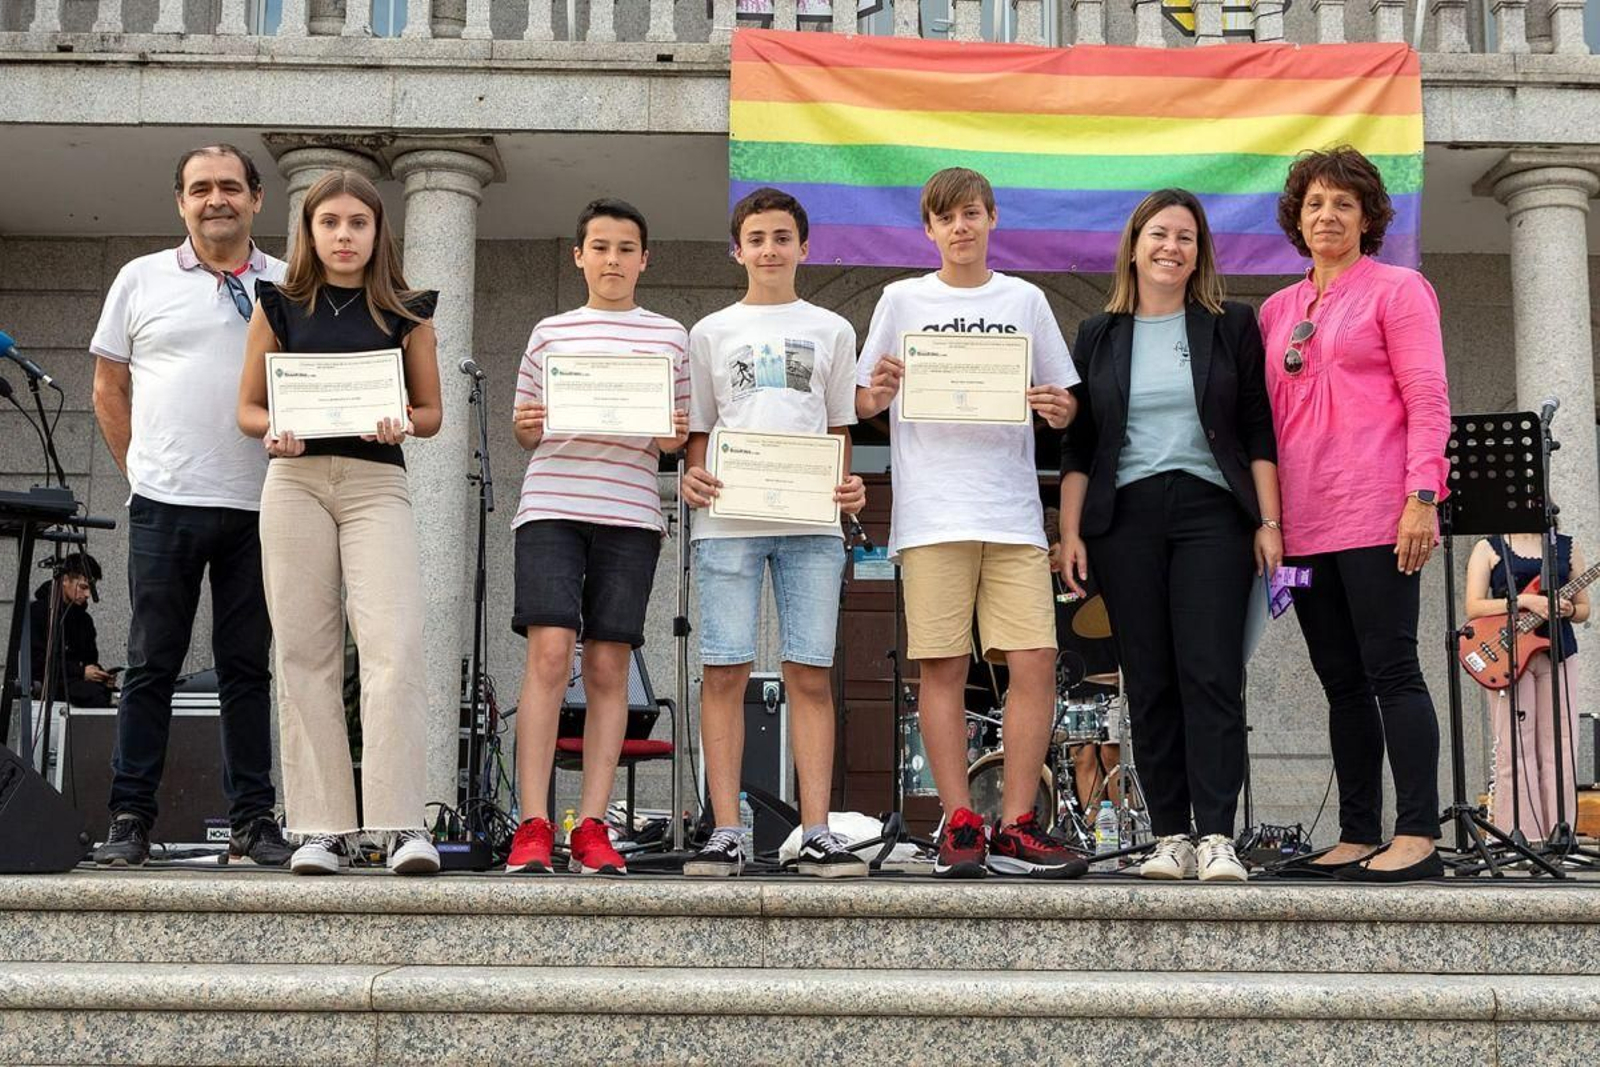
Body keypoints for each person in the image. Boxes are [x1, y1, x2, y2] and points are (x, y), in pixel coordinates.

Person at [856, 167, 1085, 879]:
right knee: (943, 668)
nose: (960, 227)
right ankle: (959, 820)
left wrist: (1056, 408)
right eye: (946, 217)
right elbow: (863, 400)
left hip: (1011, 512)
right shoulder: (900, 299)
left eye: (972, 214)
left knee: (1035, 662)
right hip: (931, 512)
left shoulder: (1024, 298)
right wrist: (880, 390)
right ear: (929, 229)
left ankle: (1017, 821)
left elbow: (1067, 402)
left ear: (992, 220)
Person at [1058, 188, 1281, 882]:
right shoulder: (1100, 333)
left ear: (1199, 253)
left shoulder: (1230, 324)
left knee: (1211, 673)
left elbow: (1255, 428)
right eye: (1159, 234)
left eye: (1186, 237)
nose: (1171, 247)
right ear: (1134, 244)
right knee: (1149, 681)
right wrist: (1070, 532)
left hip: (1213, 513)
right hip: (1125, 517)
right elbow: (1080, 445)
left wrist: (1270, 523)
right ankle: (1171, 835)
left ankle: (1217, 835)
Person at [88, 144, 290, 868]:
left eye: (230, 187)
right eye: (201, 188)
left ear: (256, 199)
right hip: (165, 503)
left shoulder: (289, 281)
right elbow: (108, 389)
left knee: (247, 668)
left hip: (262, 505)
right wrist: (140, 472)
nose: (217, 199)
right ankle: (129, 818)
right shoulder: (139, 279)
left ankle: (254, 819)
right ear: (180, 202)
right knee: (150, 665)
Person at [237, 170, 443, 876]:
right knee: (302, 652)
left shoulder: (407, 309)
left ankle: (399, 824)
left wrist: (402, 422)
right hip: (294, 481)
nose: (345, 235)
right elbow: (248, 409)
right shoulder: (279, 305)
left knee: (394, 644)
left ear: (378, 231)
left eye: (359, 222)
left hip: (375, 484)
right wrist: (274, 433)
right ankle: (321, 827)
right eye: (331, 223)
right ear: (310, 231)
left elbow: (431, 413)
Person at [1259, 146, 1451, 883]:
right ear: (1297, 218)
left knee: (1393, 669)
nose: (1327, 215)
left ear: (1368, 216)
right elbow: (1265, 426)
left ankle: (1419, 833)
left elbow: (1428, 397)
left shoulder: (1399, 290)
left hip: (1380, 514)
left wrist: (1421, 495)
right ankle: (1357, 830)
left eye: (1343, 203)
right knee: (1340, 680)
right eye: (1314, 203)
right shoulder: (1277, 310)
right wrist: (1270, 522)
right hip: (1304, 530)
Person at [680, 186, 869, 879]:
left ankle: (816, 828)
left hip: (811, 522)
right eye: (756, 237)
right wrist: (692, 475)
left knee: (809, 672)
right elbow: (700, 429)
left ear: (804, 247)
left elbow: (839, 424)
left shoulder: (832, 329)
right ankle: (726, 827)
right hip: (728, 519)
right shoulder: (710, 330)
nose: (769, 248)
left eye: (781, 236)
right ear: (738, 249)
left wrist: (848, 485)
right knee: (724, 668)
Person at [503, 199, 690, 875]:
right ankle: (532, 822)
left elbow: (675, 436)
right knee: (551, 656)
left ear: (645, 258)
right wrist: (533, 418)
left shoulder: (670, 336)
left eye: (626, 247)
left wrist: (668, 429)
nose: (613, 260)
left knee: (610, 666)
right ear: (578, 255)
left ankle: (591, 825)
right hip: (552, 506)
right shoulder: (550, 330)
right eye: (600, 247)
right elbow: (526, 429)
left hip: (631, 513)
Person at [1464, 531, 1589, 840]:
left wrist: (1570, 610)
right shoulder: (1489, 547)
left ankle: (1560, 836)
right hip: (1508, 656)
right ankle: (1518, 836)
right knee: (1515, 747)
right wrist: (1525, 601)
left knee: (1561, 747)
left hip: (1558, 652)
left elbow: (1584, 608)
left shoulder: (1565, 547)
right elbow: (1474, 606)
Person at [25, 553, 116, 708]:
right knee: (97, 698)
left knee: (119, 696)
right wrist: (81, 672)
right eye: (83, 587)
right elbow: (37, 662)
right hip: (50, 684)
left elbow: (89, 660)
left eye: (90, 589)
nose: (87, 594)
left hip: (77, 683)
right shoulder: (37, 613)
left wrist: (100, 674)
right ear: (65, 580)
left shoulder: (84, 620)